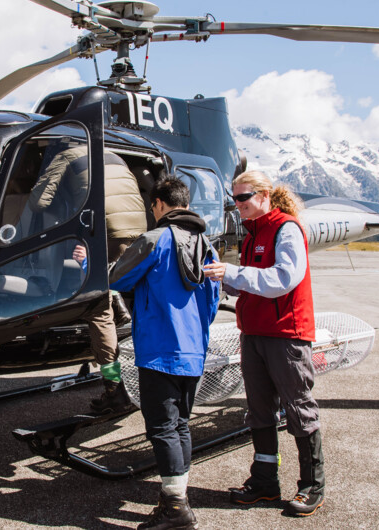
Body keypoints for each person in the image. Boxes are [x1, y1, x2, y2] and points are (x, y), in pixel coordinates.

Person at [204, 169, 324, 517]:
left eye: (242, 198)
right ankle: (265, 483)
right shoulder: (252, 234)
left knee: (299, 408)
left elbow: (283, 279)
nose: (237, 204)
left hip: (286, 333)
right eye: (234, 199)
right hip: (255, 331)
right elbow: (251, 283)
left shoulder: (286, 228)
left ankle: (312, 485)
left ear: (263, 195)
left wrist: (232, 273)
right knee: (259, 411)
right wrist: (221, 278)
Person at [109, 177, 220, 529]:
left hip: (159, 349)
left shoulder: (155, 240)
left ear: (158, 204)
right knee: (180, 425)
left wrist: (85, 265)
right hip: (193, 350)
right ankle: (175, 499)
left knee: (162, 428)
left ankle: (175, 509)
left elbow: (117, 278)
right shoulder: (208, 246)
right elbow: (213, 301)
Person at [40, 144, 147, 413]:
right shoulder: (115, 153)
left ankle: (115, 390)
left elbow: (38, 201)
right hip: (139, 230)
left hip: (107, 233)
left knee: (99, 314)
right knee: (141, 302)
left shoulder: (64, 155)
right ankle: (150, 381)